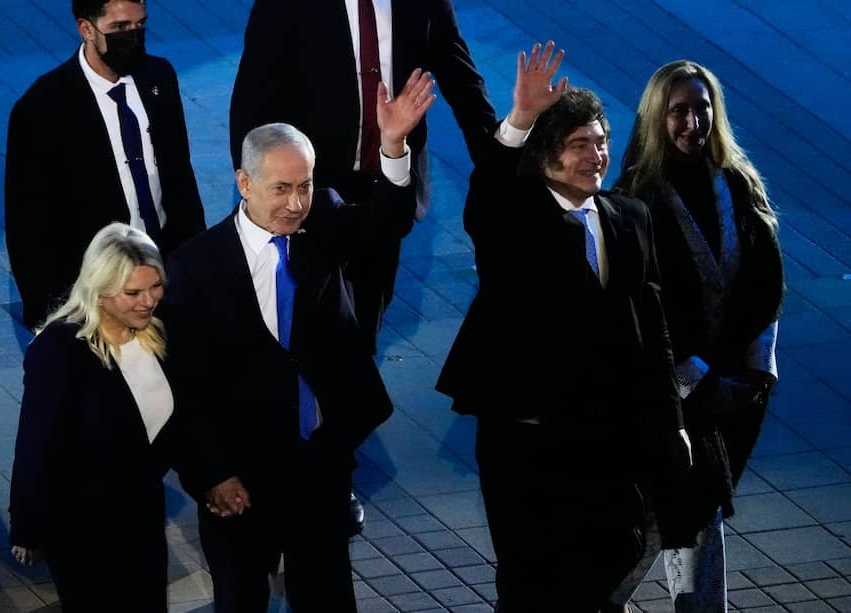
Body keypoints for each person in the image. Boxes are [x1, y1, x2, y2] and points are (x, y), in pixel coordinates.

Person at [163, 70, 435, 612]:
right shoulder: (195, 267)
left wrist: (393, 145)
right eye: (281, 189)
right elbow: (182, 386)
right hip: (240, 480)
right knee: (242, 601)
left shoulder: (325, 221)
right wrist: (210, 475)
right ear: (244, 183)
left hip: (320, 465)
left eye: (304, 186)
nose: (295, 203)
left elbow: (388, 222)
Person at [435, 42, 691, 612]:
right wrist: (521, 116)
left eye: (601, 142)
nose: (596, 157)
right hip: (528, 440)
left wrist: (671, 421)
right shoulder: (513, 218)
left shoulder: (629, 217)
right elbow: (488, 190)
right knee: (530, 580)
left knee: (616, 550)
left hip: (606, 436)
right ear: (547, 154)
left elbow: (653, 327)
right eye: (579, 145)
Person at [229, 0, 499, 532]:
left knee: (360, 336)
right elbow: (253, 101)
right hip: (308, 201)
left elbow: (462, 81)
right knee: (303, 337)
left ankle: (333, 456)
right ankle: (298, 462)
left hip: (388, 191)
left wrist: (503, 160)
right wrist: (264, 200)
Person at [605, 60, 784, 613]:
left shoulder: (738, 185)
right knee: (663, 515)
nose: (692, 123)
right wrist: (697, 382)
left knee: (695, 512)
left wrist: (755, 374)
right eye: (678, 111)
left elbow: (766, 284)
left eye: (701, 109)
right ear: (657, 118)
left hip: (734, 393)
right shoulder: (636, 200)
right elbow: (639, 311)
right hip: (669, 396)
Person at [4, 0, 206, 331]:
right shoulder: (43, 107)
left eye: (140, 25)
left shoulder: (159, 78)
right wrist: (48, 317)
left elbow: (181, 179)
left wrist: (198, 263)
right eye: (120, 28)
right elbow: (27, 225)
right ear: (86, 29)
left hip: (165, 276)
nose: (134, 36)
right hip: (96, 291)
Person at [8, 223, 180, 611]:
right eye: (132, 293)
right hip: (81, 527)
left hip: (142, 519)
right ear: (99, 290)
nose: (148, 301)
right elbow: (36, 446)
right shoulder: (59, 350)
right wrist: (26, 528)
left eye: (155, 287)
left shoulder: (159, 334)